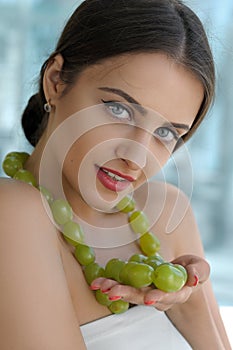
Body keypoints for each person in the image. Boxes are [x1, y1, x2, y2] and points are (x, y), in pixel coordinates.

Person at [0, 0, 231, 349]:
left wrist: (191, 304)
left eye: (167, 133)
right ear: (56, 81)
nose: (136, 158)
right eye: (119, 109)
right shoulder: (12, 211)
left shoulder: (167, 211)